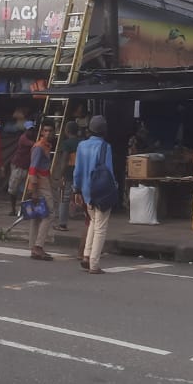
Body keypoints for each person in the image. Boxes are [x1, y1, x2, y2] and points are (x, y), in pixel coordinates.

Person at [72, 115, 115, 274]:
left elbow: (77, 171)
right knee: (100, 228)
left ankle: (86, 256)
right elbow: (108, 172)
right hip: (101, 191)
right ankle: (94, 264)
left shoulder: (81, 145)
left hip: (86, 191)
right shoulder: (105, 147)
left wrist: (76, 190)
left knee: (93, 222)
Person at [24, 123, 56, 261]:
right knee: (49, 214)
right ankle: (38, 246)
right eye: (46, 130)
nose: (48, 133)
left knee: (37, 215)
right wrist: (34, 190)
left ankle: (34, 247)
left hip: (42, 181)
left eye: (50, 130)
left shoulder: (45, 146)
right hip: (40, 182)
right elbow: (33, 169)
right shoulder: (39, 147)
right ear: (42, 132)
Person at [53, 121, 83, 232]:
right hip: (81, 172)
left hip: (69, 173)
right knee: (82, 196)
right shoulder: (82, 142)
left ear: (67, 131)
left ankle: (62, 224)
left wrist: (60, 175)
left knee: (64, 198)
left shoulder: (66, 144)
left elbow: (64, 161)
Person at [7, 122, 36, 217]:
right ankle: (13, 209)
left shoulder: (32, 138)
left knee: (28, 190)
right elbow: (34, 144)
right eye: (29, 130)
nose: (31, 132)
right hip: (18, 166)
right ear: (25, 130)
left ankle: (25, 210)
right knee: (13, 189)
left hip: (27, 166)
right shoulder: (23, 138)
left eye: (32, 130)